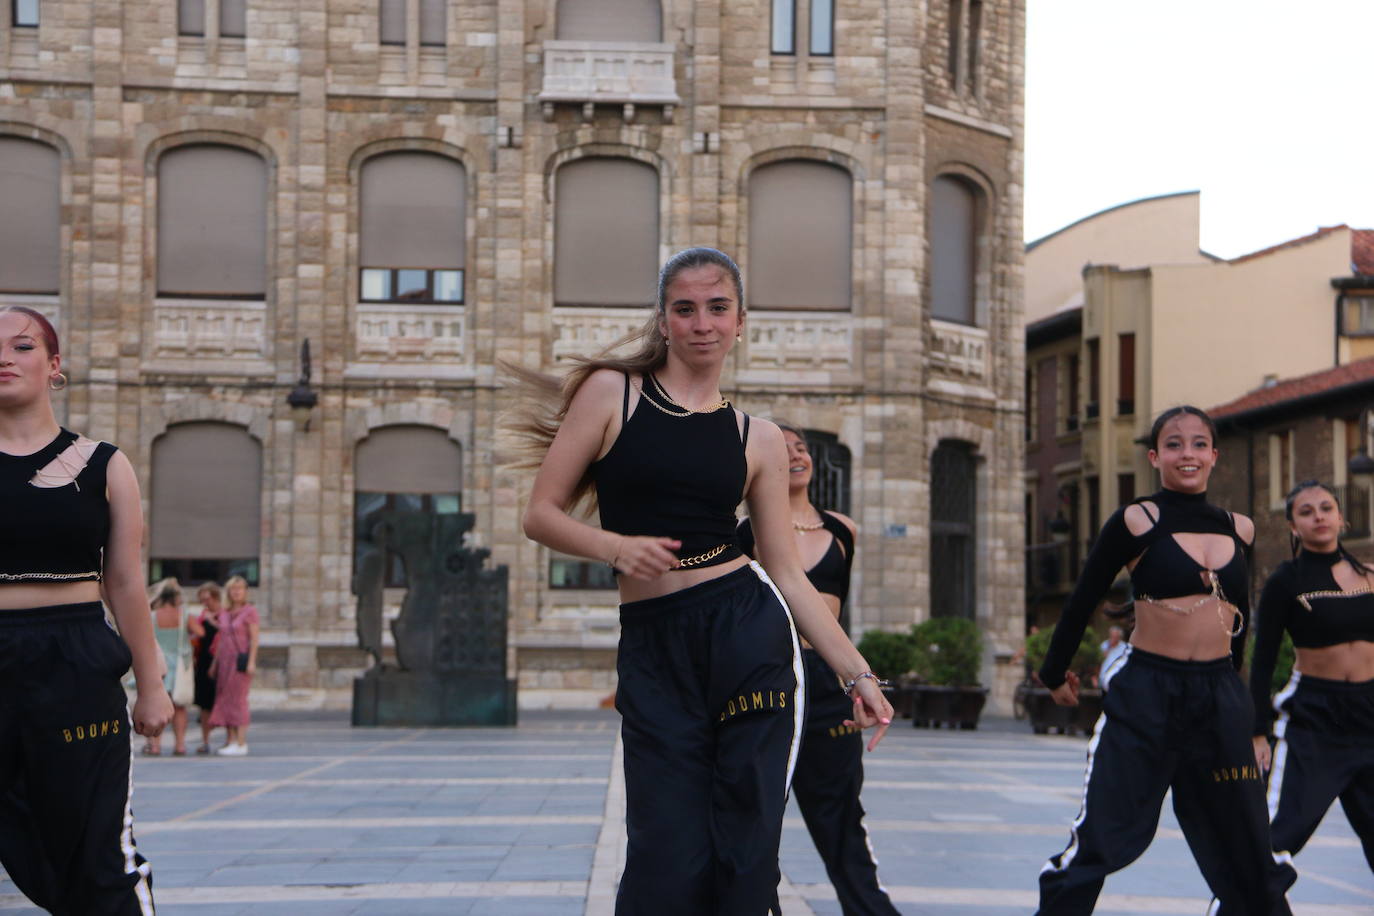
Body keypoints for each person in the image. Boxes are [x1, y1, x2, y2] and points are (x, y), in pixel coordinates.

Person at [513, 247, 892, 915]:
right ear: (663, 321)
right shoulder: (612, 394)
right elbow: (540, 514)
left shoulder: (759, 439)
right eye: (685, 309)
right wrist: (614, 547)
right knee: (666, 858)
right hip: (655, 648)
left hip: (747, 638)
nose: (701, 323)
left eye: (718, 308)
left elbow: (786, 575)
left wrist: (858, 673)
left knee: (746, 857)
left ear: (741, 322)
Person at [1034, 405, 1295, 914]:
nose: (1187, 454)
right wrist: (1053, 670)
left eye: (1199, 443)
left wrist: (1245, 712)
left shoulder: (1240, 528)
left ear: (1215, 456)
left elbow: (1241, 620)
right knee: (1104, 837)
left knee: (1247, 843)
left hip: (1218, 696)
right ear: (1155, 457)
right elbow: (1084, 596)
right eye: (1174, 444)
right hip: (1148, 693)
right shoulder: (1137, 519)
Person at [0, 304, 171, 914]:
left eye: (21, 347)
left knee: (96, 854)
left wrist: (151, 686)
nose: (3, 358)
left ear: (54, 367)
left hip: (74, 664)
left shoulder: (105, 464)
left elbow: (125, 582)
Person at [736, 423, 900, 916]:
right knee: (756, 820)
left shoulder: (843, 530)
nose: (796, 455)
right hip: (773, 683)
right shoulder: (744, 534)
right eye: (783, 450)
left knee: (843, 822)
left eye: (802, 447)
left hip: (830, 686)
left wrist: (856, 680)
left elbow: (839, 610)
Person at [1251, 480, 1374, 871]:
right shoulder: (1285, 582)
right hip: (1314, 720)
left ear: (1341, 518)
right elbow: (1263, 662)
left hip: (1370, 716)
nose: (1318, 516)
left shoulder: (1371, 574)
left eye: (1326, 508)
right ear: (1292, 526)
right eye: (1306, 511)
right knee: (1276, 840)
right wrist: (1257, 731)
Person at [207, 575, 258, 756]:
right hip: (224, 662)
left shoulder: (250, 612)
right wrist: (215, 663)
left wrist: (251, 662)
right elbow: (221, 640)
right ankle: (230, 740)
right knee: (224, 699)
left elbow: (254, 639)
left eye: (240, 589)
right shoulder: (224, 613)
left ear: (245, 592)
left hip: (240, 662)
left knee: (238, 700)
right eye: (233, 589)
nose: (236, 592)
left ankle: (241, 741)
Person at [143, 578, 192, 756]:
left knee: (156, 704)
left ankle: (155, 745)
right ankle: (180, 745)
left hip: (158, 663)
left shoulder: (153, 615)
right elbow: (200, 632)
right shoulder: (182, 614)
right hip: (178, 666)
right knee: (179, 707)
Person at [188, 581, 223, 755]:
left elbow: (227, 633)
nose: (204, 603)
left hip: (222, 662)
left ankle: (230, 740)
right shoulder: (202, 615)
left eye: (206, 598)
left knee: (223, 699)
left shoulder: (224, 614)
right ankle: (206, 741)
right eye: (202, 599)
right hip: (203, 662)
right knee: (204, 704)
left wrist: (212, 621)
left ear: (215, 597)